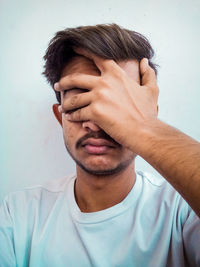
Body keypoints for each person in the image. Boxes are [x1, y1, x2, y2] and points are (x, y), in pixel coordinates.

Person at [0, 23, 200, 267]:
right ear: (59, 116)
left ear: (147, 115)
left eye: (117, 105)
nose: (95, 125)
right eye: (79, 103)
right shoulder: (17, 216)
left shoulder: (184, 210)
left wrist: (146, 130)